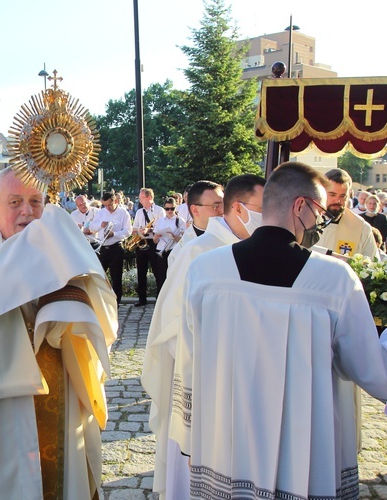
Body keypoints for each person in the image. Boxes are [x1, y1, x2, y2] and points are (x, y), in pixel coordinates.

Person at [169, 162, 387, 498]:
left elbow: (189, 359)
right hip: (304, 449)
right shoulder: (333, 280)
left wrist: (190, 437)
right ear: (300, 206)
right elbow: (367, 366)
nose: (321, 222)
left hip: (229, 440)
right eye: (319, 211)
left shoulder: (206, 271)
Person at [0, 168, 118, 499]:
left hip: (61, 386)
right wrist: (37, 251)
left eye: (36, 201)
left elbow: (100, 306)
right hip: (1, 403)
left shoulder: (59, 245)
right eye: (15, 201)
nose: (27, 211)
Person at [142, 173, 264, 499]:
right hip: (200, 368)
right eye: (215, 206)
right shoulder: (196, 252)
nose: (220, 211)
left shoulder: (243, 246)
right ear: (194, 209)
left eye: (222, 204)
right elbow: (172, 318)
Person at [317, 169, 380, 258]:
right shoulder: (305, 222)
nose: (337, 200)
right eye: (332, 194)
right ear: (322, 192)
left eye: (343, 196)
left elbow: (372, 263)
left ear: (349, 194)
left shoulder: (361, 227)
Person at [86, 190, 132, 304]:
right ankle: (101, 302)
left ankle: (116, 303)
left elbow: (128, 231)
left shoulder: (123, 213)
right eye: (105, 205)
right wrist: (100, 225)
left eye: (110, 205)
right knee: (100, 277)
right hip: (103, 247)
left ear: (115, 201)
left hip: (116, 248)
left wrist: (114, 234)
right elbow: (91, 227)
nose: (108, 208)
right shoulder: (101, 213)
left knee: (116, 277)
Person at [170, 181, 223, 265]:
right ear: (195, 210)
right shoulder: (181, 252)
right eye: (215, 206)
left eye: (224, 205)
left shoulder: (234, 236)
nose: (222, 211)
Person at [131, 188, 166, 306]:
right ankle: (142, 299)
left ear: (149, 197)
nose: (140, 201)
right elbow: (134, 226)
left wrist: (149, 229)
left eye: (142, 198)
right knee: (141, 272)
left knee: (157, 271)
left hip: (153, 242)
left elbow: (162, 227)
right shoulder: (139, 212)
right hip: (141, 241)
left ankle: (160, 298)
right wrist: (137, 230)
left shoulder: (159, 210)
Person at [152, 197, 185, 291]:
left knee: (174, 276)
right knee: (161, 276)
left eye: (172, 208)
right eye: (167, 209)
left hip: (174, 250)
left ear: (175, 208)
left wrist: (175, 237)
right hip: (161, 249)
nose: (169, 211)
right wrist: (156, 237)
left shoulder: (180, 221)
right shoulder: (160, 220)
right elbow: (155, 241)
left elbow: (184, 240)